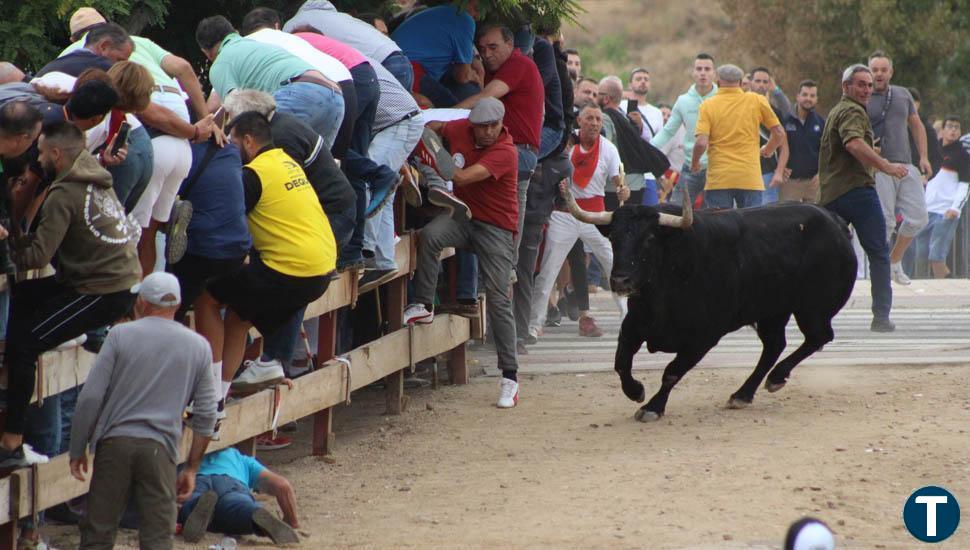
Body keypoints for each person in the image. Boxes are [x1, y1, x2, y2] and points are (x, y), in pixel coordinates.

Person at [0, 119, 142, 469]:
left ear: (57, 155)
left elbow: (37, 256)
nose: (38, 159)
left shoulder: (64, 192)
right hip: (112, 280)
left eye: (43, 153)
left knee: (27, 344)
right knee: (26, 298)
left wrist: (7, 243)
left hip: (101, 289)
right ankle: (17, 363)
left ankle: (11, 442)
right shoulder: (91, 171)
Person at [69, 272, 218, 549]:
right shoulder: (198, 346)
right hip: (160, 448)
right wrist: (193, 466)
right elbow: (208, 413)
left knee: (97, 533)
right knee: (157, 535)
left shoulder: (120, 335)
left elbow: (90, 398)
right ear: (176, 305)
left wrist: (78, 448)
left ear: (143, 302)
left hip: (115, 444)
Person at [207, 112, 334, 418]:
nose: (228, 147)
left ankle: (211, 397)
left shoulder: (252, 175)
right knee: (238, 316)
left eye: (232, 141)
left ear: (248, 141)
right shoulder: (286, 162)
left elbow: (227, 224)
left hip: (290, 269)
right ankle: (226, 393)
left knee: (207, 295)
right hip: (322, 268)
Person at [402, 98, 520, 408]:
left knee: (497, 299)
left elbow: (465, 177)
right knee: (429, 235)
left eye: (493, 126)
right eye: (482, 127)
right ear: (472, 126)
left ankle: (510, 377)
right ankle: (424, 303)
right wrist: (429, 140)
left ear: (501, 124)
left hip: (496, 227)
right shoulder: (460, 129)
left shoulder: (506, 151)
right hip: (464, 217)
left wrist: (439, 160)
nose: (488, 132)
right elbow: (432, 128)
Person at [818, 64, 908, 333]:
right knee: (879, 254)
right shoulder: (852, 110)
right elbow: (853, 143)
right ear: (846, 87)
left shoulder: (837, 111)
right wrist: (886, 166)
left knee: (825, 259)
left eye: (869, 85)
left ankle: (818, 319)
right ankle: (881, 317)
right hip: (857, 192)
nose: (867, 89)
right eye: (861, 84)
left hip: (831, 194)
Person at [529, 104, 628, 340]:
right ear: (579, 122)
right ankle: (534, 324)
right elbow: (549, 172)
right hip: (565, 213)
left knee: (615, 266)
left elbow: (619, 181)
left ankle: (629, 319)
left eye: (598, 119)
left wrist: (623, 191)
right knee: (549, 269)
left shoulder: (609, 149)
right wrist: (558, 184)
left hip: (596, 216)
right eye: (589, 118)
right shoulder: (565, 145)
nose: (594, 123)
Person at [195, 15, 344, 150]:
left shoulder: (220, 63)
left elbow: (236, 108)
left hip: (300, 92)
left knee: (264, 151)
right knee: (316, 166)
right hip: (334, 94)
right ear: (234, 31)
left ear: (205, 52)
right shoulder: (256, 44)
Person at [867, 50, 930, 285]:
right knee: (886, 221)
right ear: (869, 71)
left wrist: (923, 156)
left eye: (884, 69)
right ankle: (881, 272)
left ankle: (895, 261)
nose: (879, 74)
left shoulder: (903, 95)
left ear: (891, 72)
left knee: (918, 217)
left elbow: (917, 125)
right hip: (881, 167)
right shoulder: (862, 95)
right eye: (875, 69)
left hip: (906, 164)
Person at [692, 64, 784, 209]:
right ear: (741, 83)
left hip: (719, 179)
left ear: (718, 82)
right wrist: (768, 149)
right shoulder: (756, 100)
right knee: (751, 228)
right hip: (749, 178)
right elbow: (779, 133)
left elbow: (701, 143)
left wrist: (695, 163)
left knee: (720, 228)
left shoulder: (707, 105)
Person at [283, 0, 415, 90]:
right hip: (401, 59)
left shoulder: (293, 24)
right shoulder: (342, 17)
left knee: (382, 125)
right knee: (406, 118)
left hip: (382, 64)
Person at [178, 447, 299, 544]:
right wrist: (292, 521)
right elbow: (282, 485)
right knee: (237, 506)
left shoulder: (184, 455)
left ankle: (195, 506)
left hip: (196, 479)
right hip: (232, 482)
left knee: (191, 501)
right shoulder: (239, 457)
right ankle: (252, 513)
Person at [651, 53, 717, 207]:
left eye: (707, 69)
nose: (703, 73)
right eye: (699, 69)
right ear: (693, 72)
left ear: (714, 73)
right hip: (690, 166)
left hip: (717, 166)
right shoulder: (683, 100)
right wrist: (648, 148)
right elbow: (668, 131)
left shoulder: (722, 98)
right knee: (675, 209)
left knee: (715, 215)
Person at [390, 3, 478, 106]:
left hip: (395, 68)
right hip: (409, 70)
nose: (478, 15)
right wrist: (475, 76)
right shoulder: (465, 19)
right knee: (454, 110)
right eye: (477, 8)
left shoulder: (439, 12)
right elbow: (463, 77)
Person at [915, 116, 970, 278]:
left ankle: (950, 288)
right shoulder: (934, 151)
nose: (953, 130)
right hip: (926, 210)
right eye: (950, 126)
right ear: (943, 130)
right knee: (921, 255)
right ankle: (922, 289)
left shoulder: (962, 155)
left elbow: (965, 184)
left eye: (957, 127)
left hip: (945, 211)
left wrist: (955, 208)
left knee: (936, 256)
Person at [749, 66, 790, 204]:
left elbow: (784, 145)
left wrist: (779, 172)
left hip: (768, 173)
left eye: (765, 82)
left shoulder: (775, 111)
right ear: (750, 82)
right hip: (745, 170)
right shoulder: (740, 107)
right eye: (758, 81)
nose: (761, 85)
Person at [781, 79, 825, 203]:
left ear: (816, 99)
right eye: (805, 94)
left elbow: (826, 151)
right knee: (788, 219)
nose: (808, 99)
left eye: (812, 96)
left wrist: (821, 173)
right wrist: (779, 168)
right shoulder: (786, 120)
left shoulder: (820, 122)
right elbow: (775, 145)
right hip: (790, 182)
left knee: (814, 220)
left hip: (813, 183)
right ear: (798, 97)